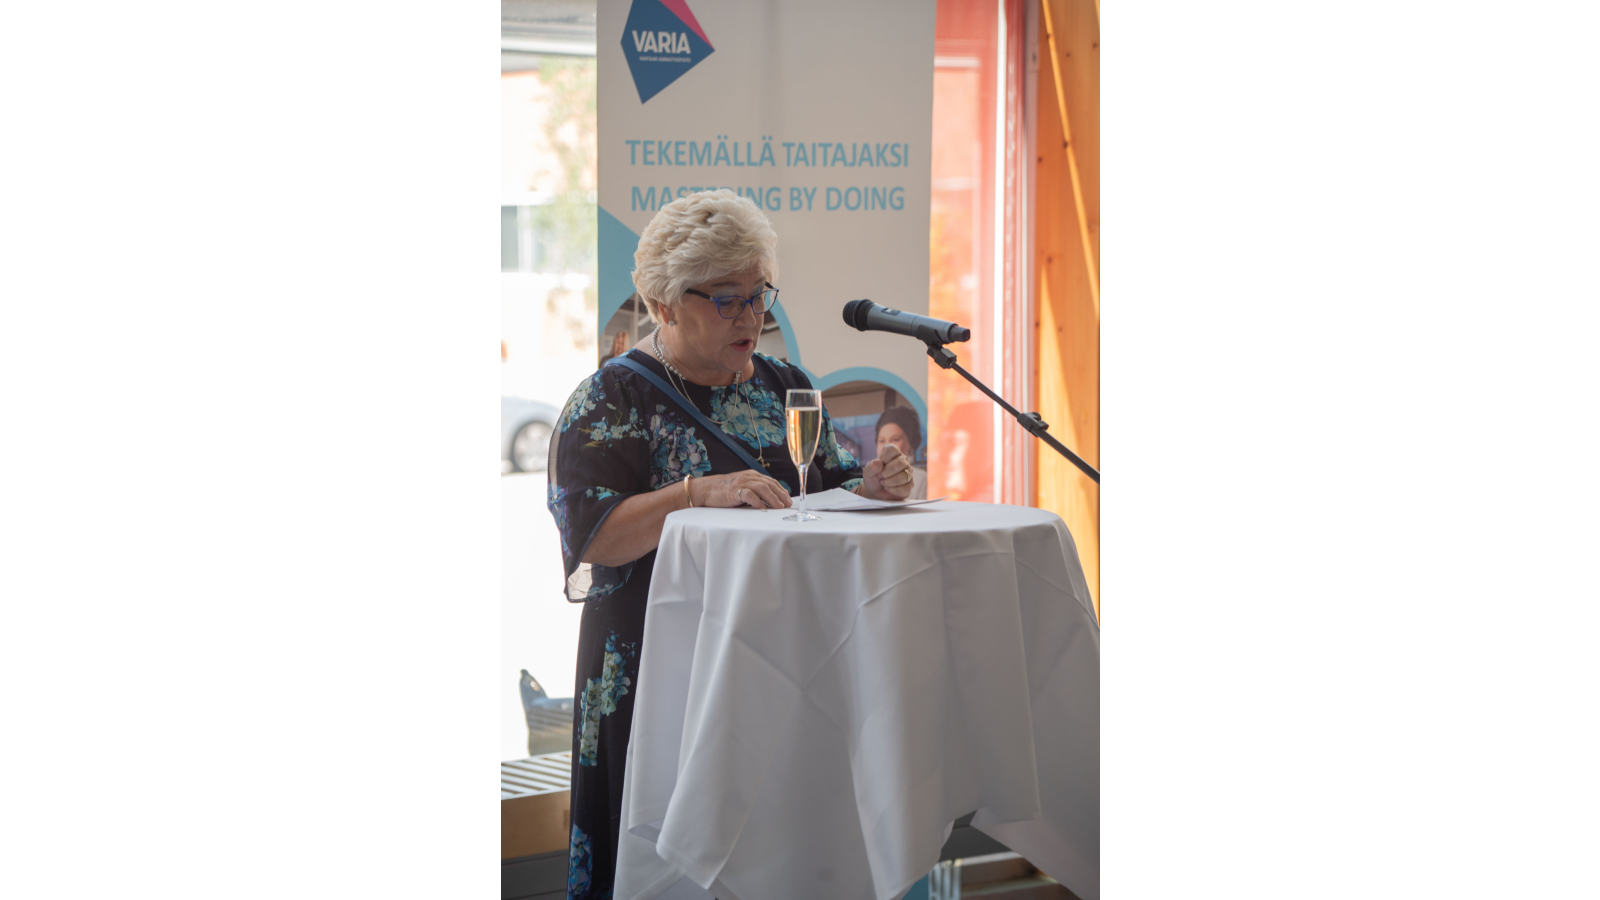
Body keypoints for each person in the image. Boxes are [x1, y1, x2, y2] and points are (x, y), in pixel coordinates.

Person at [546, 189, 914, 899]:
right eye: (726, 299)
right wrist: (694, 492)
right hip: (659, 676)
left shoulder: (787, 386)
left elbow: (825, 488)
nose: (751, 317)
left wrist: (873, 484)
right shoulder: (611, 399)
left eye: (758, 294)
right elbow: (595, 536)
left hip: (780, 670)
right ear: (662, 304)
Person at [875, 405, 928, 500]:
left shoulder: (921, 479)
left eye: (895, 439)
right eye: (882, 441)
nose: (887, 447)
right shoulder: (867, 480)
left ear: (910, 444)